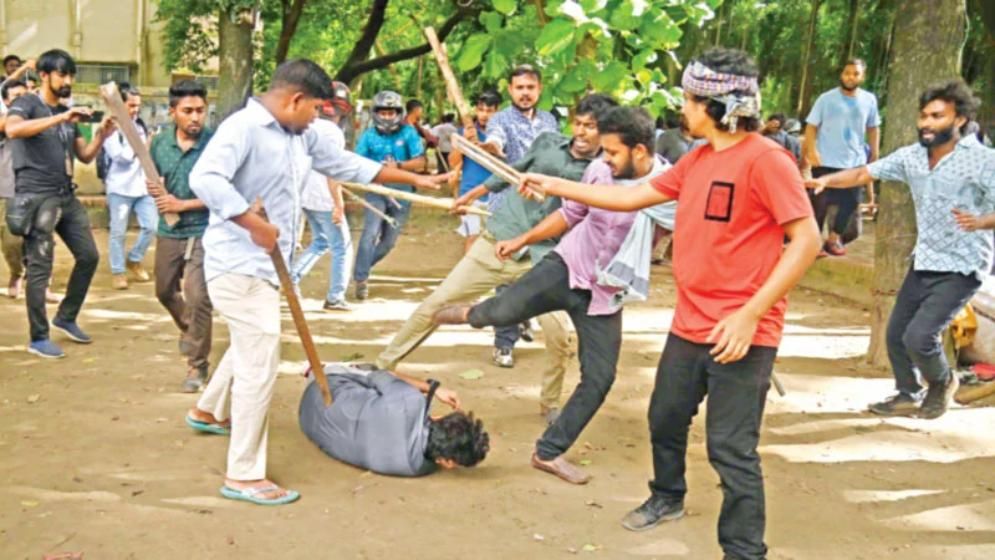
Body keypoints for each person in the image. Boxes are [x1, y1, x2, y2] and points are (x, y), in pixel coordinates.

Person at [520, 48, 821, 560]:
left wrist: (750, 314)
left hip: (742, 331)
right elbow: (630, 196)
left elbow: (807, 240)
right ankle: (667, 496)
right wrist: (552, 183)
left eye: (689, 99)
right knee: (664, 418)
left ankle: (744, 551)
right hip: (690, 324)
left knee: (731, 448)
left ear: (717, 105)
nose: (682, 108)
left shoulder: (769, 159)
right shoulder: (696, 159)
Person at [184, 59, 443, 506]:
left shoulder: (298, 136)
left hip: (268, 267)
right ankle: (243, 473)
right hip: (238, 265)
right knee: (260, 361)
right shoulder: (242, 128)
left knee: (252, 343)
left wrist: (419, 178)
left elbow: (349, 165)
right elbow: (203, 178)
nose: (320, 120)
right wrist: (251, 222)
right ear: (296, 99)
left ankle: (208, 408)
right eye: (317, 110)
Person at [434, 106, 673, 484]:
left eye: (612, 152)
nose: (605, 159)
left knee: (600, 377)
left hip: (606, 293)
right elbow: (571, 215)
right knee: (502, 311)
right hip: (567, 266)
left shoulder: (669, 188)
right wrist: (522, 240)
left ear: (639, 152)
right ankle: (470, 315)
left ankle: (549, 452)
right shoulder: (599, 171)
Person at [376, 94, 614, 425]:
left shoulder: (602, 172)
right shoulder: (547, 143)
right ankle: (381, 368)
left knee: (560, 335)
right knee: (436, 305)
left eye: (593, 127)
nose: (583, 132)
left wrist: (552, 192)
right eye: (580, 123)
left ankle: (549, 403)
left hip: (547, 258)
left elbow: (585, 213)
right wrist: (472, 194)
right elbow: (511, 171)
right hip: (499, 239)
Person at [807, 80, 995, 420]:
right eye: (923, 116)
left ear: (960, 121)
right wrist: (825, 181)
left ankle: (942, 381)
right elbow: (865, 172)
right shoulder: (912, 157)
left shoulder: (983, 161)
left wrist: (980, 222)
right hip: (924, 259)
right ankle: (908, 393)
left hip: (964, 265)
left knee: (920, 336)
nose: (926, 123)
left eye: (937, 116)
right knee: (895, 335)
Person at [5, 49, 117, 359]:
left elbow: (84, 155)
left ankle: (66, 317)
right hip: (36, 197)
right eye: (62, 75)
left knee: (89, 256)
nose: (68, 81)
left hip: (66, 195)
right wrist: (61, 116)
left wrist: (103, 135)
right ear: (44, 75)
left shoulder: (69, 113)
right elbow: (12, 129)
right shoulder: (26, 103)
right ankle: (38, 337)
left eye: (71, 75)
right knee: (40, 268)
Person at [477, 64, 559, 367]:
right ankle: (504, 343)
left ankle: (522, 315)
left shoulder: (549, 120)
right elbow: (496, 140)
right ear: (510, 90)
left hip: (541, 209)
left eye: (530, 88)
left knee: (536, 271)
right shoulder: (500, 119)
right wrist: (491, 146)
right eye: (519, 88)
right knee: (505, 276)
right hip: (508, 209)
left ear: (539, 89)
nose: (525, 93)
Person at [299, 363, 489, 476]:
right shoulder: (415, 468)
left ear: (439, 418)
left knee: (372, 371)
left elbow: (380, 375)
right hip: (308, 420)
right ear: (446, 463)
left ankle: (316, 369)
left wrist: (431, 389)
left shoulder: (411, 401)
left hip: (321, 388)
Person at [147, 79, 215, 393]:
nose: (195, 117)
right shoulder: (159, 144)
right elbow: (153, 179)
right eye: (188, 111)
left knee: (199, 296)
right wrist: (154, 189)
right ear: (173, 112)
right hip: (170, 228)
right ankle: (192, 330)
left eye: (200, 110)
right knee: (163, 290)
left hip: (206, 228)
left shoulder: (217, 144)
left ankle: (197, 366)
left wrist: (183, 204)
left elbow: (226, 193)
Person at [351, 90, 434, 301]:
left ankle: (363, 266)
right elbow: (357, 162)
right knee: (370, 231)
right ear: (376, 114)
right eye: (383, 113)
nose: (387, 117)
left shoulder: (408, 133)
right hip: (376, 189)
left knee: (388, 242)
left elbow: (421, 162)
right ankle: (361, 279)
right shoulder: (368, 136)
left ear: (399, 113)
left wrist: (398, 166)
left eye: (391, 113)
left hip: (403, 191)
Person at [804, 58, 880, 256]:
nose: (850, 77)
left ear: (862, 77)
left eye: (855, 73)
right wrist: (811, 151)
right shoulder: (826, 99)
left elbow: (873, 128)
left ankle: (834, 238)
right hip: (826, 158)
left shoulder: (869, 100)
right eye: (847, 73)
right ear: (841, 74)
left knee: (851, 201)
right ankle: (814, 243)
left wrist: (875, 152)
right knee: (819, 203)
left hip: (854, 160)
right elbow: (811, 126)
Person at [292, 81, 354, 311]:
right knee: (342, 246)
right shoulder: (333, 132)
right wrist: (338, 203)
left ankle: (291, 278)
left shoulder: (307, 126)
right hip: (323, 197)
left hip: (305, 193)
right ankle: (335, 296)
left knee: (322, 241)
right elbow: (333, 171)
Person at [103, 83, 155, 290]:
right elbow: (121, 157)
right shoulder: (111, 127)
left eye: (137, 106)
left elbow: (147, 156)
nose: (135, 110)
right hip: (120, 188)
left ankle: (134, 258)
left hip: (142, 186)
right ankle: (118, 272)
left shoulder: (140, 125)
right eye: (131, 105)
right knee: (118, 232)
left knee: (151, 226)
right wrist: (144, 145)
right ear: (120, 104)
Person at [447, 90, 500, 253]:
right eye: (481, 110)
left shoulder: (503, 134)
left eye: (489, 111)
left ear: (497, 111)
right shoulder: (465, 132)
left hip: (496, 194)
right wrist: (463, 143)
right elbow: (453, 162)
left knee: (495, 239)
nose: (484, 115)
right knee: (473, 238)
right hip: (470, 194)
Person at [1, 79, 27, 297]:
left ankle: (24, 275)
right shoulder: (5, 122)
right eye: (15, 96)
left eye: (24, 95)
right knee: (10, 241)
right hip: (4, 189)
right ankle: (18, 272)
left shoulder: (39, 120)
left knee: (19, 240)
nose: (22, 101)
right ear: (6, 102)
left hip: (27, 192)